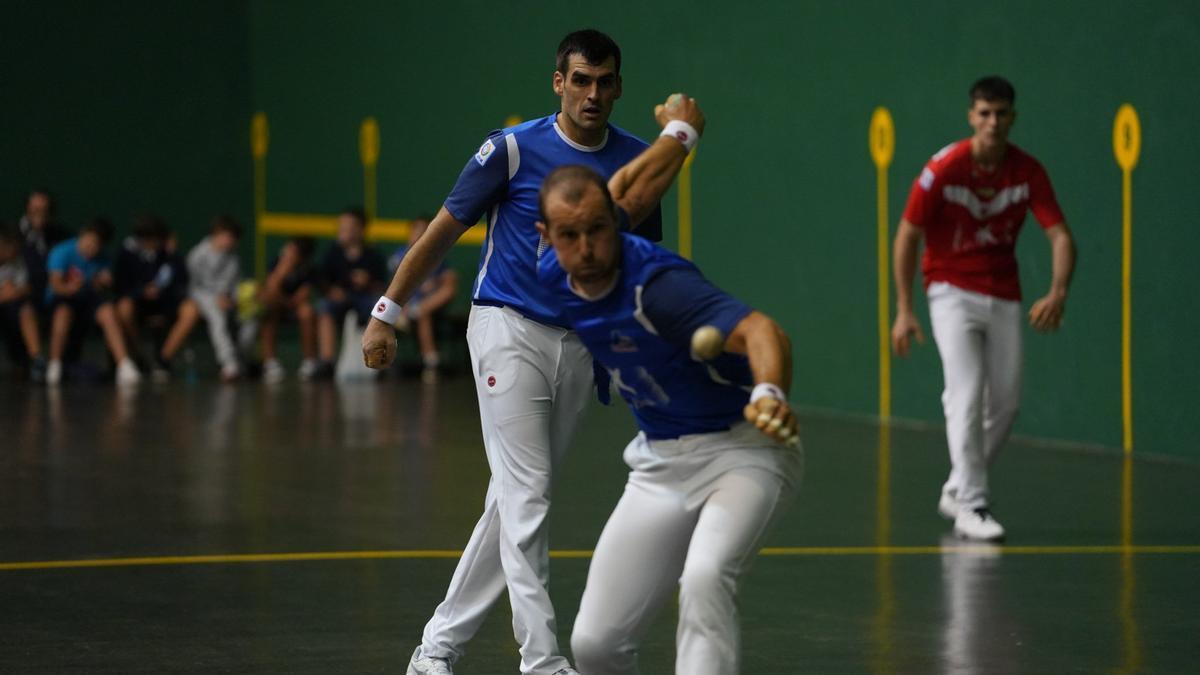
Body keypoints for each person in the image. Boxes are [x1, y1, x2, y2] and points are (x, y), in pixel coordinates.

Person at [361, 28, 703, 675]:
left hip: (577, 346)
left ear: (619, 86)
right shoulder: (512, 151)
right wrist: (388, 311)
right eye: (580, 80)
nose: (592, 93)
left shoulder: (633, 163)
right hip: (506, 330)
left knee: (513, 500)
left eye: (604, 81)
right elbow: (444, 229)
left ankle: (436, 646)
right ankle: (542, 662)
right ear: (558, 83)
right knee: (530, 494)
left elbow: (638, 267)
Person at [533, 164, 800, 674]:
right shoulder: (554, 273)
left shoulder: (659, 287)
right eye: (570, 235)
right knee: (594, 644)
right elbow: (625, 190)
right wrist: (677, 133)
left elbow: (764, 331)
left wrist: (769, 392)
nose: (586, 247)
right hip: (660, 462)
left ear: (615, 223)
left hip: (744, 452)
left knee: (705, 577)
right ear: (546, 237)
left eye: (597, 229)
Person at [890, 76, 1076, 541]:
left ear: (1012, 118)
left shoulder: (1027, 171)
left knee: (1006, 404)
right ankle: (972, 503)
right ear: (971, 116)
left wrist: (1058, 291)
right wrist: (904, 308)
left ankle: (957, 487)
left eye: (1001, 114)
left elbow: (1060, 235)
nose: (993, 122)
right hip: (950, 291)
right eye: (984, 113)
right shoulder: (944, 168)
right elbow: (908, 234)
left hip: (1004, 293)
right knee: (966, 395)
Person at [44, 218, 141, 385]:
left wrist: (102, 283)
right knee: (63, 313)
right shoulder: (62, 252)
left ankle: (124, 364)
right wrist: (72, 288)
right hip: (62, 300)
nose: (92, 248)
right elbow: (56, 285)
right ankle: (55, 364)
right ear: (83, 234)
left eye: (98, 245)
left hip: (87, 301)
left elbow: (101, 289)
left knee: (108, 311)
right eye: (90, 241)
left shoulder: (103, 258)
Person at [159, 215, 244, 381]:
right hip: (200, 298)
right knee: (217, 317)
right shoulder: (198, 254)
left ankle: (242, 361)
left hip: (226, 303)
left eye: (233, 239)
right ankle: (228, 362)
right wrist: (214, 298)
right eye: (228, 236)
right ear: (217, 233)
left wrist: (231, 298)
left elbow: (235, 286)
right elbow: (190, 285)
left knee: (248, 319)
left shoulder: (233, 260)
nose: (230, 242)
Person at [314, 207, 388, 378]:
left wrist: (368, 282)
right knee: (325, 308)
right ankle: (326, 361)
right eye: (341, 227)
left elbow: (382, 285)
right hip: (341, 298)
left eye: (348, 227)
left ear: (361, 230)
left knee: (378, 310)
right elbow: (322, 279)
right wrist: (331, 291)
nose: (343, 231)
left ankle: (376, 359)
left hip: (365, 299)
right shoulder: (333, 253)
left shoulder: (373, 255)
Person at [386, 216, 458, 383]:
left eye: (425, 232)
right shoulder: (400, 256)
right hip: (402, 307)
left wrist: (437, 282)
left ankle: (430, 362)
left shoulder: (436, 254)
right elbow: (392, 287)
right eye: (416, 231)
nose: (419, 235)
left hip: (427, 306)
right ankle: (385, 360)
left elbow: (448, 281)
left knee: (431, 304)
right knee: (420, 314)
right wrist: (400, 306)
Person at [113, 214, 181, 374]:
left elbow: (179, 280)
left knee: (189, 309)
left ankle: (162, 360)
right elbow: (120, 285)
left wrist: (172, 255)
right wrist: (141, 292)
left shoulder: (167, 254)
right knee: (124, 308)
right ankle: (138, 355)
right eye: (150, 240)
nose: (154, 244)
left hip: (163, 303)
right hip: (136, 302)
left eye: (157, 240)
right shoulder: (126, 252)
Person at [259, 236, 319, 383]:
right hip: (278, 306)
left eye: (291, 251)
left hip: (294, 306)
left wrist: (284, 301)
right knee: (268, 310)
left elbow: (301, 298)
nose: (286, 253)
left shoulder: (308, 270)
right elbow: (270, 291)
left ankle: (309, 361)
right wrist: (281, 272)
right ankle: (270, 362)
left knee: (307, 312)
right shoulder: (276, 264)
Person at [0, 224, 46, 380]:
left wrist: (13, 292)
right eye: (11, 246)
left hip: (15, 308)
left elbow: (27, 288)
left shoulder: (20, 261)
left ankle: (37, 361)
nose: (15, 250)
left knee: (27, 311)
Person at [17, 189, 71, 305]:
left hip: (53, 297)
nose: (41, 213)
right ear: (27, 209)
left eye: (45, 210)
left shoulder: (62, 236)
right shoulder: (13, 236)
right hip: (20, 298)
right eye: (35, 209)